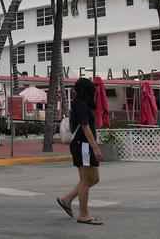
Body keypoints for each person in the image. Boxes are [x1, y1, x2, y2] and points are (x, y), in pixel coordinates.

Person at [57, 78, 103, 225]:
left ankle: (67, 199)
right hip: (82, 144)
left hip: (85, 145)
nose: (94, 91)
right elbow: (85, 127)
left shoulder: (83, 103)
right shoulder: (81, 104)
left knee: (94, 179)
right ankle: (83, 214)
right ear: (85, 90)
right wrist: (95, 148)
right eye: (91, 89)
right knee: (85, 180)